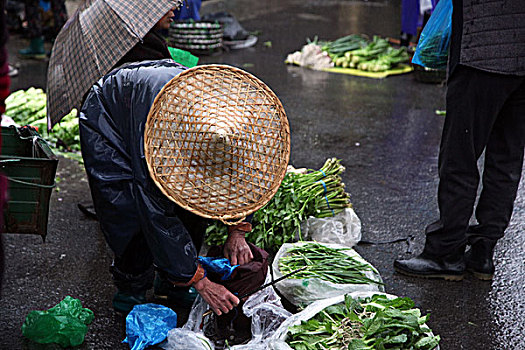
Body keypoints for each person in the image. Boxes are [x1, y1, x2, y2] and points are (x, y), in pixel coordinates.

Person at [79, 60, 273, 315]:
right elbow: (154, 209)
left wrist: (238, 229)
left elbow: (245, 177)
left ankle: (175, 281)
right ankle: (131, 286)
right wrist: (202, 282)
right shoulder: (164, 134)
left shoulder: (230, 127)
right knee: (127, 205)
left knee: (194, 198)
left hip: (170, 107)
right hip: (110, 115)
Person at [394, 0, 525, 281]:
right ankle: (483, 252)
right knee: (507, 159)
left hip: (484, 49)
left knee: (460, 155)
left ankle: (446, 252)